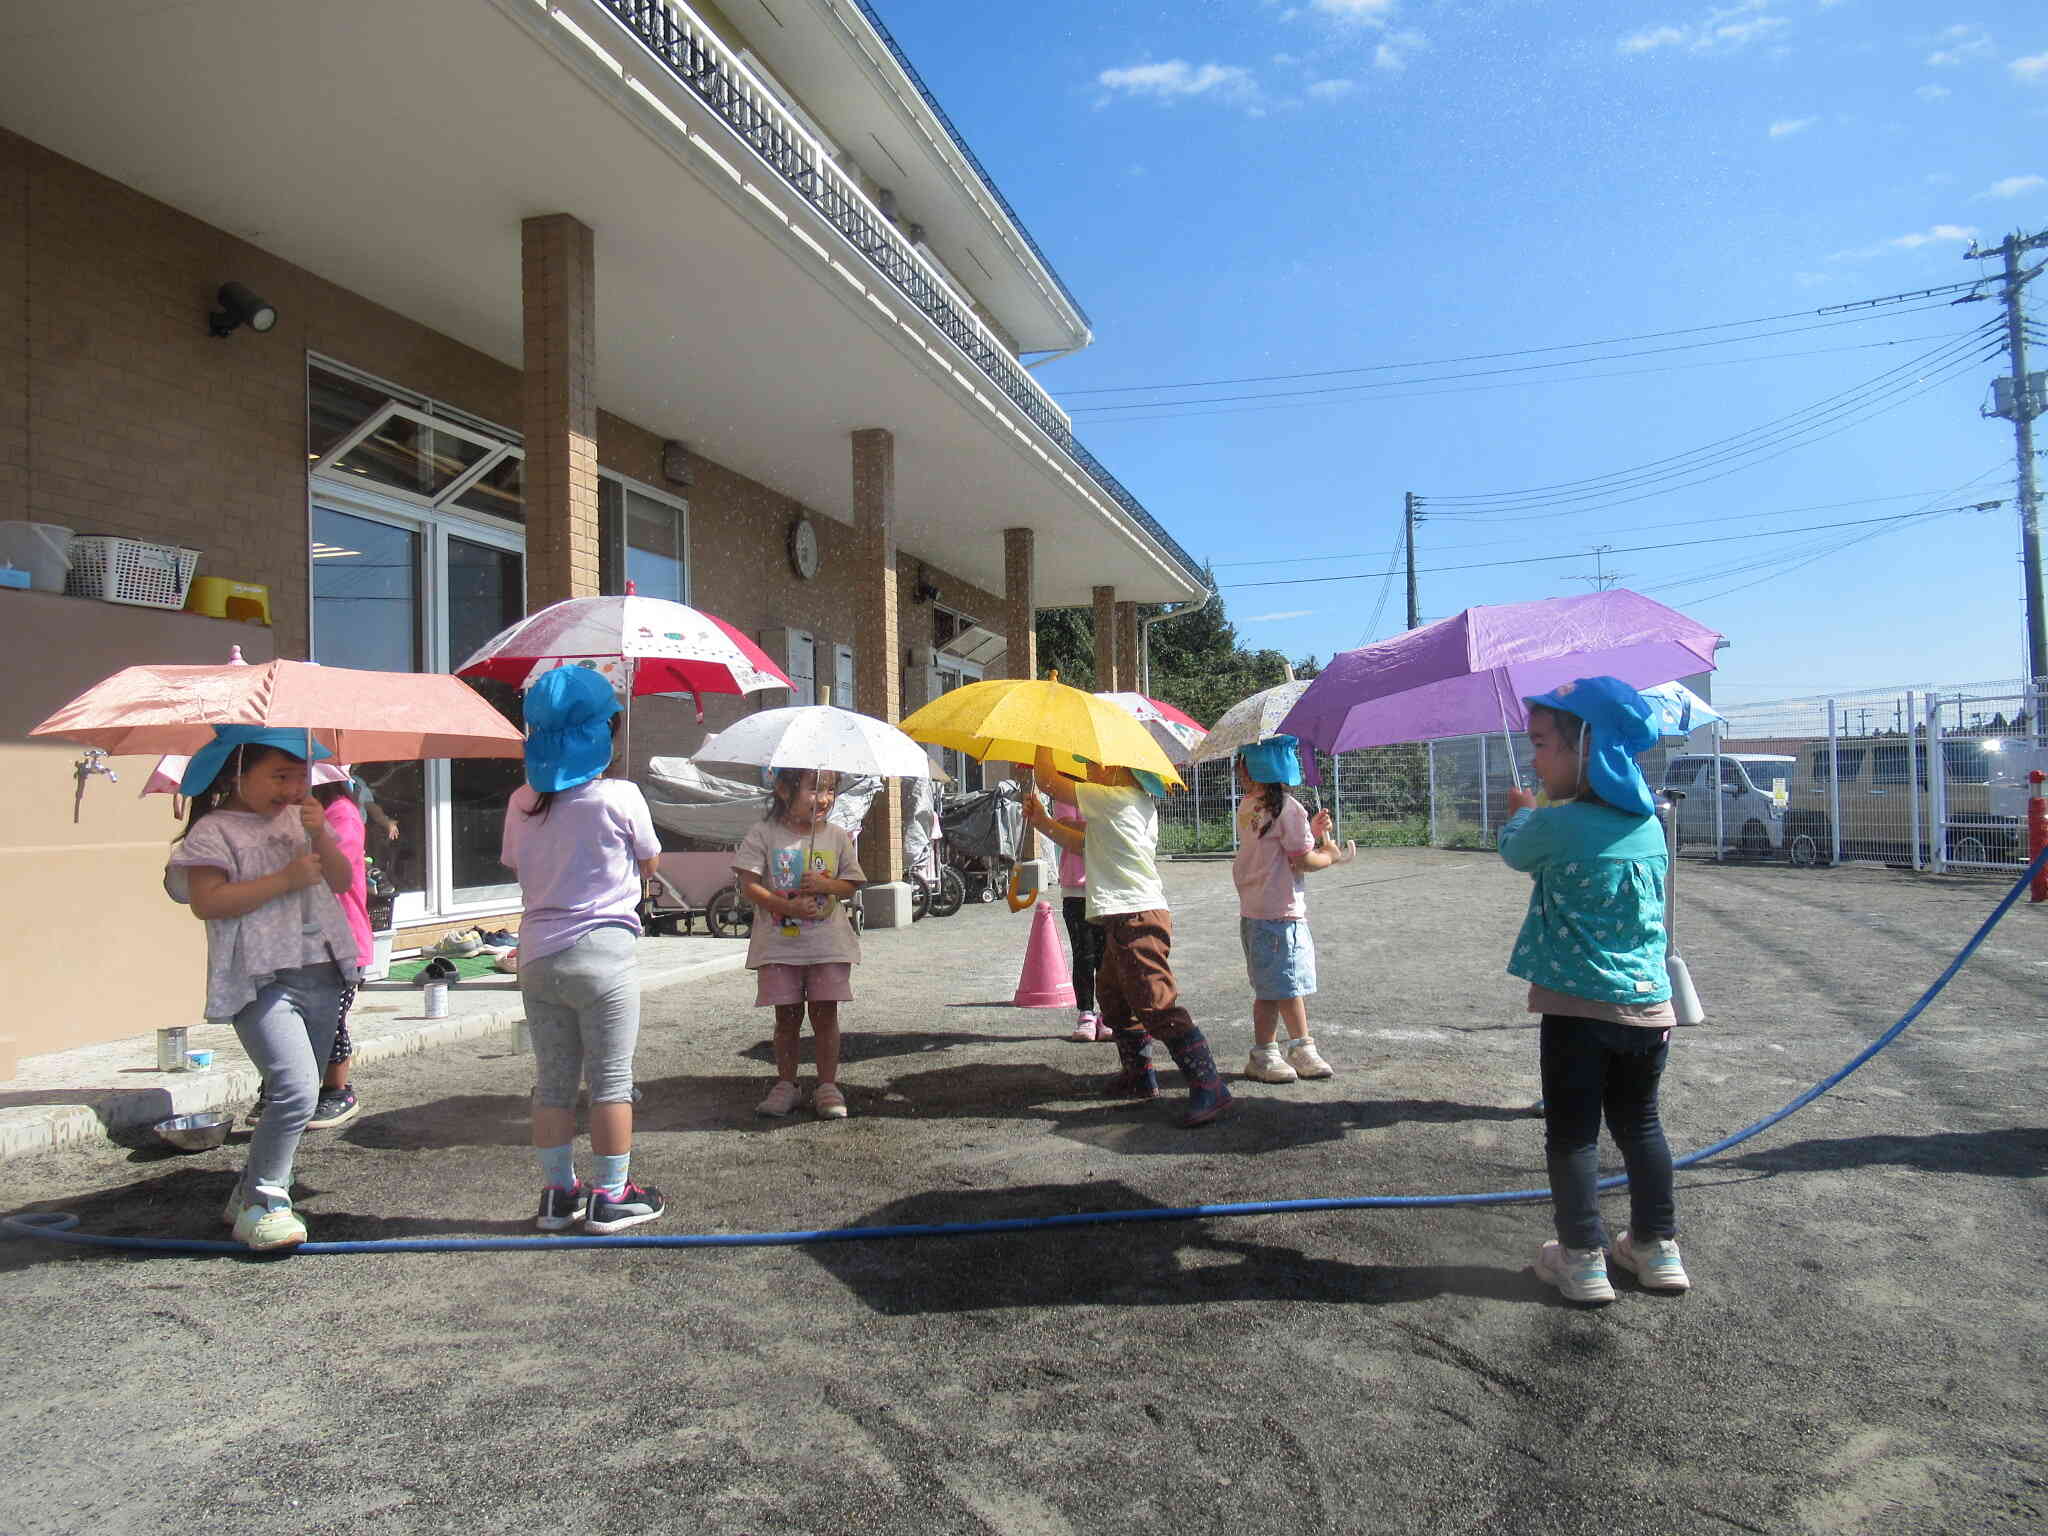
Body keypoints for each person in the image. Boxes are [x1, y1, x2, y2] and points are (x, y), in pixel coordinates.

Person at [1500, 676, 1691, 1305]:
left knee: (1574, 1132)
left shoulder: (1559, 825)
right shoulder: (1647, 824)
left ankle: (1582, 1257)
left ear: (1585, 747)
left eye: (1542, 743)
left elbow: (1513, 851)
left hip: (1577, 1011)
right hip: (1648, 1007)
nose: (1534, 756)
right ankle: (1656, 1246)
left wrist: (1523, 813)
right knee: (1641, 1124)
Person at [164, 728, 360, 1250]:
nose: (294, 788)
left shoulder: (303, 820)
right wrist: (285, 879)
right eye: (279, 776)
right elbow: (208, 902)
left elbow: (341, 881)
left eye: (301, 776)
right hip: (261, 977)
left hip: (321, 969)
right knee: (294, 1090)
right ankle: (265, 1200)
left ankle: (249, 1191)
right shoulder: (213, 831)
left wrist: (320, 837)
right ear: (237, 772)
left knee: (302, 1089)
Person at [500, 666, 666, 1234]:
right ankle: (611, 1193)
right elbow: (651, 860)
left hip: (538, 956)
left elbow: (520, 865)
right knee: (611, 1081)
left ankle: (557, 1194)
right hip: (603, 954)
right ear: (609, 734)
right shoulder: (621, 796)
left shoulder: (522, 801)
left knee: (552, 1082)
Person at [1023, 748, 1231, 1127]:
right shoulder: (1123, 806)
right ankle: (1139, 1075)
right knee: (1114, 998)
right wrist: (1042, 822)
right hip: (1122, 919)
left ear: (1124, 773)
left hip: (1138, 919)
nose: (1087, 769)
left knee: (1155, 1002)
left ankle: (1209, 1083)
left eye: (1096, 763)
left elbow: (1051, 782)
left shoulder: (1117, 800)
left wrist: (1042, 744)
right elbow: (1081, 844)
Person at [734, 768, 867, 1120]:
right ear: (782, 789)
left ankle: (827, 1084)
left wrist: (827, 886)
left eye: (830, 790)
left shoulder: (838, 836)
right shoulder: (763, 833)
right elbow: (748, 884)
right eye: (814, 789)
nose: (824, 798)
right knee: (787, 1018)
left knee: (825, 1016)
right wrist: (787, 906)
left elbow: (852, 883)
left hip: (827, 945)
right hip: (780, 946)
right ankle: (786, 1084)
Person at [1232, 736, 1344, 1083]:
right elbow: (1303, 860)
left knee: (1278, 986)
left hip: (1255, 914)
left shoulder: (1250, 806)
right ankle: (1277, 1051)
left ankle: (1290, 1048)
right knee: (1284, 987)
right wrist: (1329, 854)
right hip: (1281, 915)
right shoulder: (1289, 809)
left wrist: (1309, 831)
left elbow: (1275, 847)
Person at [1051, 790, 1108, 1041]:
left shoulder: (1110, 792)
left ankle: (1109, 1012)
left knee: (1108, 956)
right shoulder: (1067, 793)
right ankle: (1086, 1012)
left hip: (1107, 885)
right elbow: (1064, 828)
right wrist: (1103, 825)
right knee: (1083, 954)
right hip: (1076, 888)